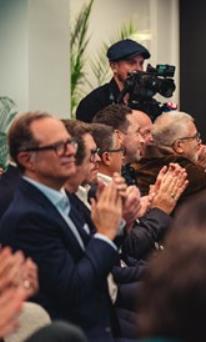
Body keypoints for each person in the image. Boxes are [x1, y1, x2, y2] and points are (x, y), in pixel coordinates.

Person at [0, 112, 124, 341]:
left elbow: (95, 259)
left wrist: (116, 220)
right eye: (58, 146)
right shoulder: (26, 217)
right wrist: (106, 234)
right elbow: (73, 289)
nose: (71, 152)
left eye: (70, 143)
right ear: (28, 160)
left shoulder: (62, 197)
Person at [76, 39, 150, 123]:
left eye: (141, 63)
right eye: (131, 63)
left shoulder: (145, 100)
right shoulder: (93, 102)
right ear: (114, 66)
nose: (138, 69)